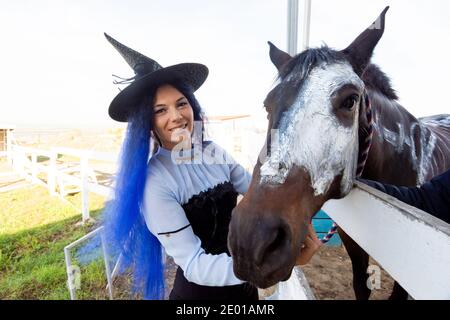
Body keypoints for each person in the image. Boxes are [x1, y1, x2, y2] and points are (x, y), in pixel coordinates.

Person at [102, 33, 261, 300]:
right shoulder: (155, 182)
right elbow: (195, 264)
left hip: (246, 286)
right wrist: (264, 268)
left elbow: (256, 192)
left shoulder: (214, 152)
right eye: (160, 110)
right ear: (147, 123)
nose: (176, 116)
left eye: (181, 104)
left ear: (192, 107)